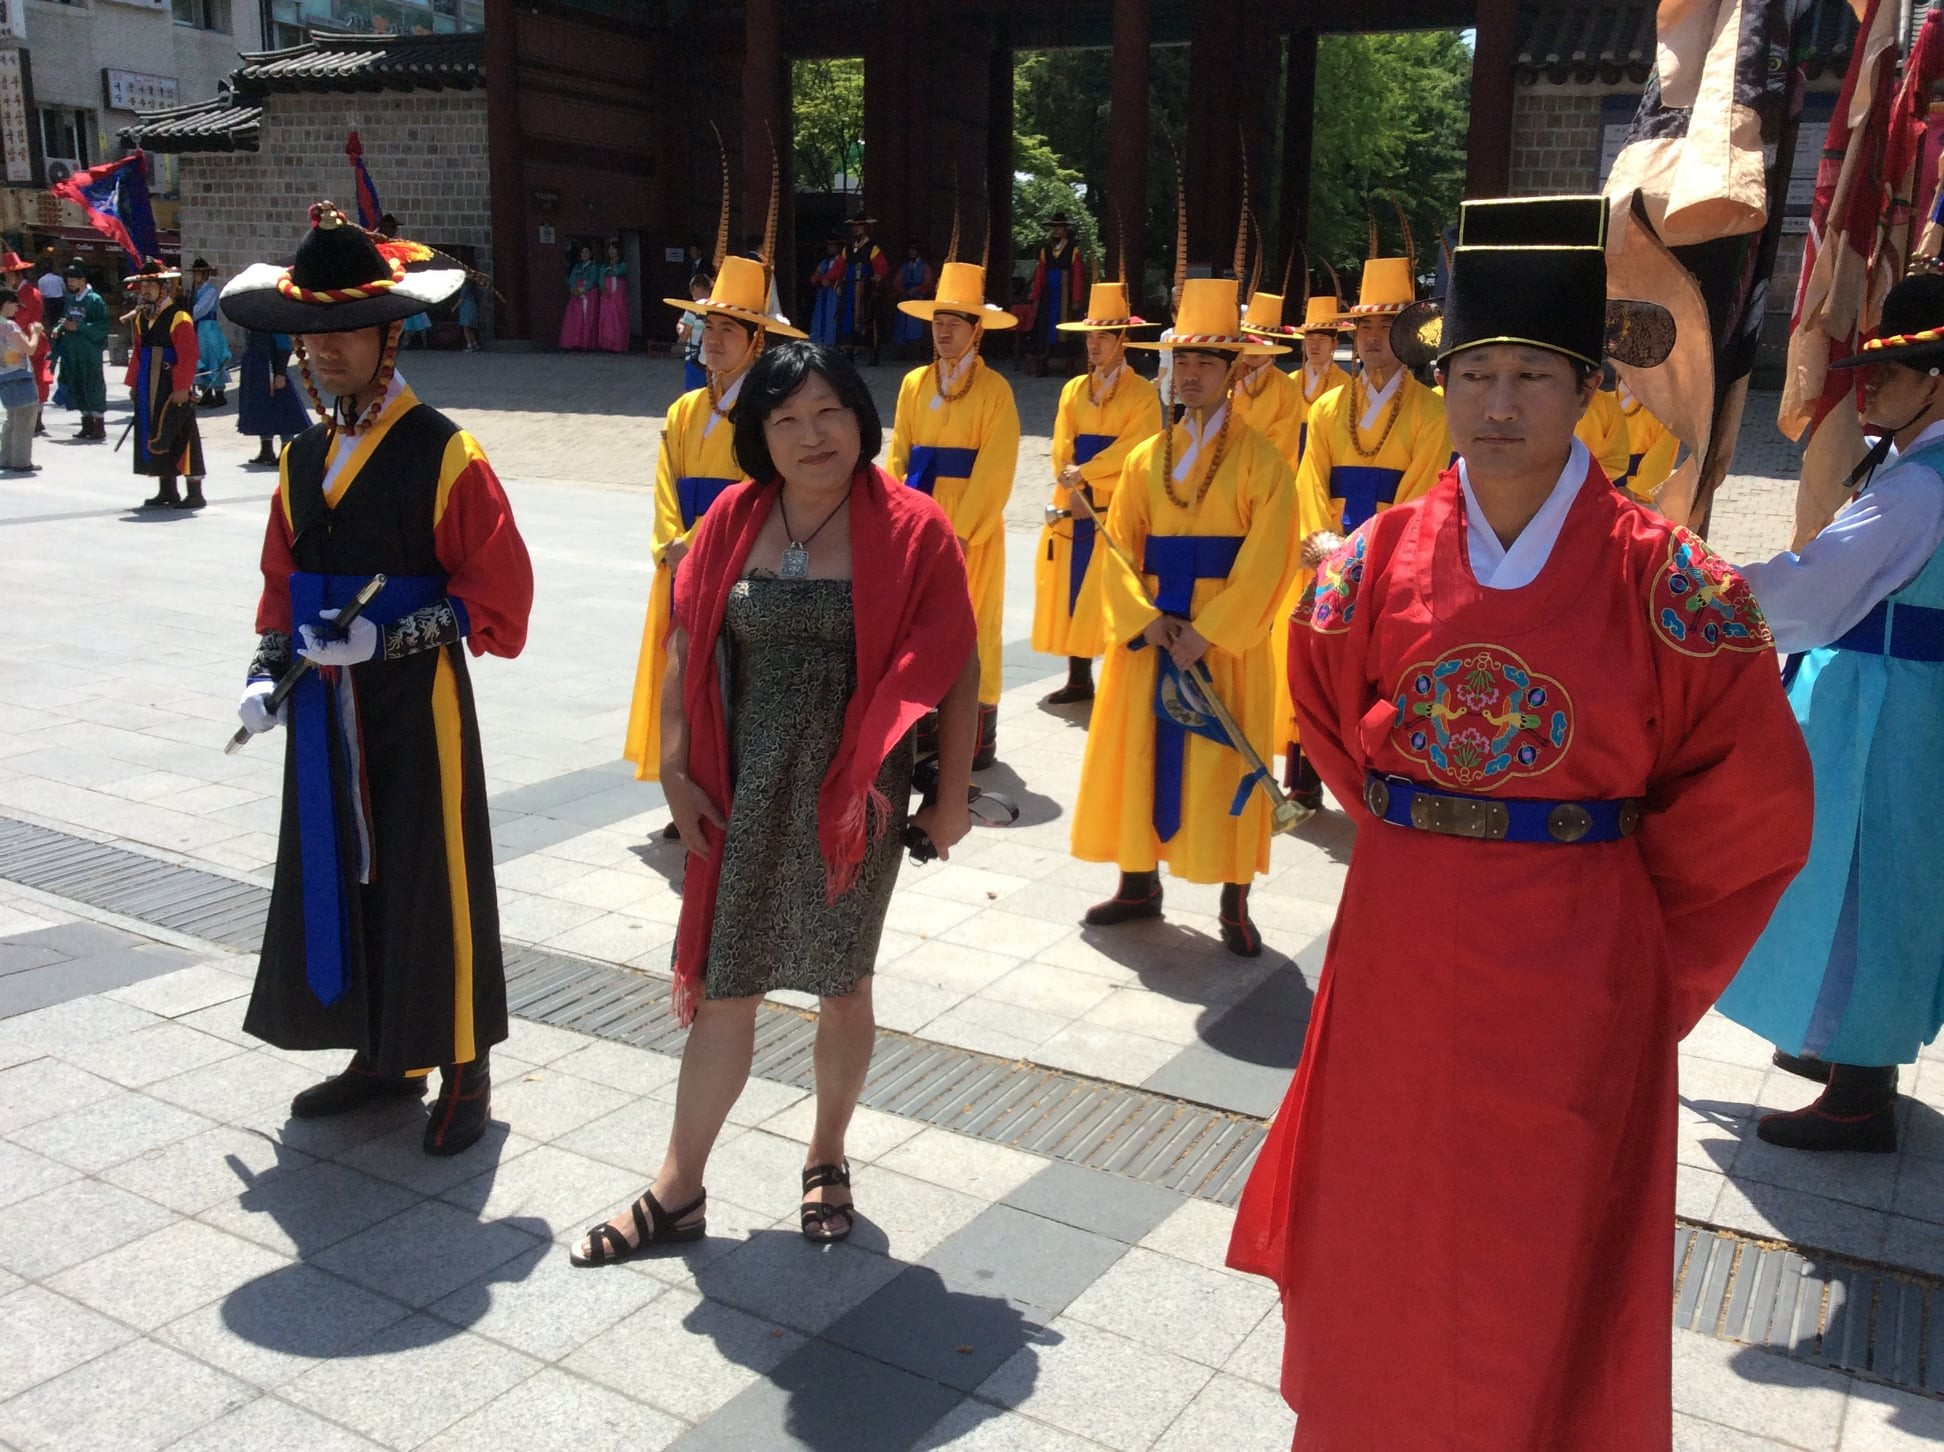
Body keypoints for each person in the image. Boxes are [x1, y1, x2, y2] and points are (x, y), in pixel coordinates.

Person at [1227, 195, 1813, 1451]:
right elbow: (1326, 717)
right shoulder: (1367, 567)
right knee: (1387, 1229)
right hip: (1397, 960)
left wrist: (1639, 956)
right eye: (1475, 375)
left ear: (1589, 389)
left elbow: (1750, 807)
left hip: (1574, 970)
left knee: (1539, 1252)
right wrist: (1423, 824)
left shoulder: (1675, 584)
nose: (1499, 404)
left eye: (1532, 377)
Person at [572, 341, 978, 1264]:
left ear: (862, 417)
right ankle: (677, 1191)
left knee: (842, 985)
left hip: (854, 801)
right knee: (728, 985)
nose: (811, 434)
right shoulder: (730, 522)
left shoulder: (914, 529)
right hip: (742, 789)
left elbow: (957, 666)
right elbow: (684, 645)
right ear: (757, 433)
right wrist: (676, 770)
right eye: (785, 419)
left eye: (830, 411)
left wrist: (949, 797)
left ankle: (827, 1155)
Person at [223, 201, 534, 1157]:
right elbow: (283, 578)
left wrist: (390, 641)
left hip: (416, 707)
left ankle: (464, 1062)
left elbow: (501, 600)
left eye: (344, 329)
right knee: (339, 869)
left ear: (390, 333)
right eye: (312, 332)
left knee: (426, 871)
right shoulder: (304, 455)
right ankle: (379, 1049)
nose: (323, 350)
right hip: (325, 706)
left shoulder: (445, 452)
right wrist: (269, 666)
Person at [1714, 270, 1944, 1152]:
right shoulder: (1912, 465)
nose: (1873, 385)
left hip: (1884, 711)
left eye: (1899, 369)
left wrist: (1700, 584)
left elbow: (1817, 588)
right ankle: (1848, 1048)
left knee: (1863, 879)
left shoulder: (1921, 487)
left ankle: (1860, 1093)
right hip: (1892, 699)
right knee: (1867, 874)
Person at [1069, 276, 1299, 957]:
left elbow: (1269, 558)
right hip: (1155, 634)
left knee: (1227, 760)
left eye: (1205, 363)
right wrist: (1144, 619)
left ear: (1232, 372)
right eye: (1181, 363)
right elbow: (1117, 545)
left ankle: (1234, 900)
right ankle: (1137, 881)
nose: (1189, 375)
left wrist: (1210, 630)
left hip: (1220, 642)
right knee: (1140, 753)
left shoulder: (1262, 462)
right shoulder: (1146, 458)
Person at [624, 254, 804, 802]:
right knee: (676, 676)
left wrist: (696, 547)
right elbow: (664, 483)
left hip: (728, 563)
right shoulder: (683, 409)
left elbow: (753, 493)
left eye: (729, 329)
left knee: (724, 678)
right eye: (710, 326)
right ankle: (683, 784)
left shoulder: (763, 413)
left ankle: (725, 788)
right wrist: (668, 544)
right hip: (678, 562)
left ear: (756, 341)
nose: (714, 338)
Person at [1287, 256, 1450, 801]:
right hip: (1325, 555)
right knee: (1315, 661)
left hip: (1388, 564)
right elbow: (1310, 475)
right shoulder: (1329, 406)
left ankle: (1376, 785)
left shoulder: (1433, 412)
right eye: (1365, 327)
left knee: (1378, 673)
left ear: (1409, 335)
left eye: (1386, 327)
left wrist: (1360, 555)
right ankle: (1306, 781)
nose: (1374, 339)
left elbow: (1422, 492)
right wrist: (1318, 541)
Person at [886, 257, 1022, 770]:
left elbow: (996, 467)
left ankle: (977, 737)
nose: (943, 333)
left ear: (976, 330)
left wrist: (961, 533)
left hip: (972, 529)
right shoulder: (914, 383)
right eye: (937, 324)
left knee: (974, 619)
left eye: (954, 325)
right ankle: (923, 726)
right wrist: (900, 518)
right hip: (919, 525)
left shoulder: (995, 391)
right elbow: (899, 454)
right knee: (919, 622)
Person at [1033, 280, 1163, 705]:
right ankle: (1077, 676)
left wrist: (1086, 474)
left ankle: (1117, 675)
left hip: (1114, 502)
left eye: (1103, 336)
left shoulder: (1142, 394)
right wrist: (1069, 479)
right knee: (1068, 590)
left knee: (1113, 590)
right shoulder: (1073, 389)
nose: (1094, 345)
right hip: (1073, 499)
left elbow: (1136, 448)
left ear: (1122, 340)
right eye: (1090, 337)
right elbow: (1060, 440)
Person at [124, 259, 205, 511]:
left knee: (182, 433)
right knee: (154, 432)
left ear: (164, 288)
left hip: (171, 385)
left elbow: (189, 354)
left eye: (150, 285)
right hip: (149, 386)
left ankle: (194, 492)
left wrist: (182, 386)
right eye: (143, 285)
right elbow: (138, 353)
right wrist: (134, 383)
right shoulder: (141, 319)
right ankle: (166, 489)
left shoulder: (178, 316)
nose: (145, 290)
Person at [1232, 290, 1305, 467]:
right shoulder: (1225, 379)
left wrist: (1245, 461)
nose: (1255, 349)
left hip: (1266, 469)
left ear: (1274, 346)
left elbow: (1284, 436)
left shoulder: (1287, 386)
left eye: (1263, 342)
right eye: (1250, 342)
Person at [236, 329, 311, 465]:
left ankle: (286, 450)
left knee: (282, 408)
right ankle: (266, 450)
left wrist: (280, 373)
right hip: (255, 368)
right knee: (261, 408)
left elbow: (284, 347)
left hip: (271, 368)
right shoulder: (251, 321)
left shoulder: (273, 322)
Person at [1027, 212, 1088, 375]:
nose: (1056, 230)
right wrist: (1036, 296)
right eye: (1054, 227)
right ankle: (1043, 362)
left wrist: (1076, 298)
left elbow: (1078, 275)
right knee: (1045, 327)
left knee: (1067, 327)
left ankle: (1069, 364)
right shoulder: (1045, 250)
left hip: (1065, 293)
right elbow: (1040, 274)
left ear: (1065, 229)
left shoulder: (1073, 249)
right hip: (1048, 293)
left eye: (1059, 227)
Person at [52, 261, 107, 442]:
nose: (70, 282)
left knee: (93, 385)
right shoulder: (70, 299)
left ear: (83, 280)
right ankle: (86, 424)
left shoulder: (95, 300)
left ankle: (99, 425)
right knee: (78, 384)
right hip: (72, 350)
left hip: (89, 352)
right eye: (68, 278)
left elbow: (102, 326)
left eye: (74, 278)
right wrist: (59, 327)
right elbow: (65, 317)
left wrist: (80, 327)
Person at [1, 253, 49, 436]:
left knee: (34, 381)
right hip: (17, 342)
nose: (6, 278)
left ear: (17, 275)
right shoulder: (18, 293)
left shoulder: (31, 294)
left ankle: (36, 419)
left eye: (8, 275)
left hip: (28, 341)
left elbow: (26, 319)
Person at [1614, 377, 1679, 501]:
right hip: (1598, 487)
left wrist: (1633, 489)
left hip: (1636, 496)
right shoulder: (1604, 401)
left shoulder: (1663, 413)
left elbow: (1660, 459)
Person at [836, 211, 886, 363]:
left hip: (865, 288)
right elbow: (840, 265)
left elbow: (882, 267)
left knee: (867, 318)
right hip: (850, 287)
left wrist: (877, 276)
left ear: (865, 228)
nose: (856, 229)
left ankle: (873, 352)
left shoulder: (872, 247)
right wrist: (837, 279)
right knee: (847, 317)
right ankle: (849, 350)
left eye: (859, 226)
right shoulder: (848, 247)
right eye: (854, 227)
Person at [0, 287, 40, 473]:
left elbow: (9, 355)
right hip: (20, 375)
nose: (17, 308)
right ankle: (21, 461)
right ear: (5, 304)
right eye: (15, 304)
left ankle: (6, 458)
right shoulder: (10, 327)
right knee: (25, 418)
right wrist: (36, 333)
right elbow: (30, 349)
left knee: (12, 419)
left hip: (4, 375)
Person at [1572, 366, 1630, 483]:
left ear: (1596, 380)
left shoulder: (1608, 405)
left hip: (1590, 486)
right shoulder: (1532, 404)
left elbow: (1617, 462)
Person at [189, 259, 232, 406]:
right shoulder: (194, 290)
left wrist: (187, 314)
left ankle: (219, 395)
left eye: (198, 273)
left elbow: (199, 310)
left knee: (213, 358)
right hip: (198, 328)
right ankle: (206, 393)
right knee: (201, 358)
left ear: (204, 274)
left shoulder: (210, 291)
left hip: (208, 328)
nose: (195, 276)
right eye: (194, 273)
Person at [890, 239, 933, 361]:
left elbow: (928, 282)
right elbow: (897, 281)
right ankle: (902, 352)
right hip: (906, 296)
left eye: (914, 250)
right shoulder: (905, 266)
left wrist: (918, 289)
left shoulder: (924, 266)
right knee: (902, 325)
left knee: (918, 326)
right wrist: (903, 290)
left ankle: (919, 352)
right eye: (910, 250)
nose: (912, 253)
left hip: (919, 298)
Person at [560, 244, 598, 350]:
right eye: (582, 252)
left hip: (587, 294)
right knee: (575, 318)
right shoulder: (577, 267)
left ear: (590, 254)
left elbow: (592, 280)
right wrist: (573, 288)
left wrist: (583, 289)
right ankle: (575, 341)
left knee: (586, 318)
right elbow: (572, 278)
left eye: (586, 252)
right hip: (576, 294)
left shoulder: (593, 267)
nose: (584, 254)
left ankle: (586, 342)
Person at [808, 235, 843, 346]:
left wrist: (823, 277)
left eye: (832, 245)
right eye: (828, 245)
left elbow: (829, 280)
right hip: (823, 295)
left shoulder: (842, 262)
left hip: (835, 294)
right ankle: (817, 343)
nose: (829, 248)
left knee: (832, 320)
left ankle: (831, 344)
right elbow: (814, 279)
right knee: (819, 319)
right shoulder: (824, 262)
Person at [596, 238, 630, 353]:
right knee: (606, 317)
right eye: (609, 249)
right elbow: (601, 276)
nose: (611, 251)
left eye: (613, 249)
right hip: (606, 291)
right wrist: (602, 287)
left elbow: (617, 272)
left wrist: (612, 267)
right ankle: (606, 343)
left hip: (618, 293)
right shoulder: (604, 265)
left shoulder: (623, 264)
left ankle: (619, 343)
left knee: (618, 316)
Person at [456, 277, 481, 351]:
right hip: (471, 306)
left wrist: (454, 307)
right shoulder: (470, 288)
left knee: (465, 327)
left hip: (466, 307)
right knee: (469, 327)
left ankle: (469, 344)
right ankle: (474, 343)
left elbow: (461, 299)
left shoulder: (464, 287)